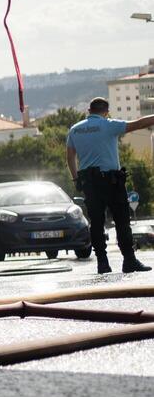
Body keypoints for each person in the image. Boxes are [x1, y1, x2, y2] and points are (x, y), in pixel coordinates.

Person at [66, 98, 154, 274]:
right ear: (106, 111)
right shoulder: (109, 125)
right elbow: (138, 123)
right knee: (122, 222)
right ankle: (129, 260)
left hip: (90, 184)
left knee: (97, 225)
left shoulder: (74, 130)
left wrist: (76, 179)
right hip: (112, 182)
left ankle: (102, 263)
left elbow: (70, 156)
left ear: (89, 111)